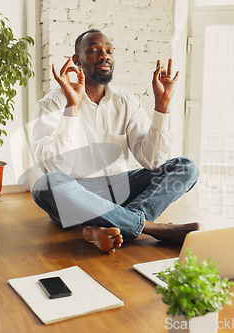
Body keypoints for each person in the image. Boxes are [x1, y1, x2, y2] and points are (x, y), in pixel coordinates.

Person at [31, 29, 199, 254]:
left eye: (109, 50)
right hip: (75, 193)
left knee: (186, 167)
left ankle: (103, 227)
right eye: (94, 50)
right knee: (46, 184)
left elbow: (151, 161)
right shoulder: (52, 104)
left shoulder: (126, 102)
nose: (104, 55)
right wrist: (72, 107)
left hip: (120, 188)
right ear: (76, 60)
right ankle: (149, 227)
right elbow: (56, 168)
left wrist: (162, 106)